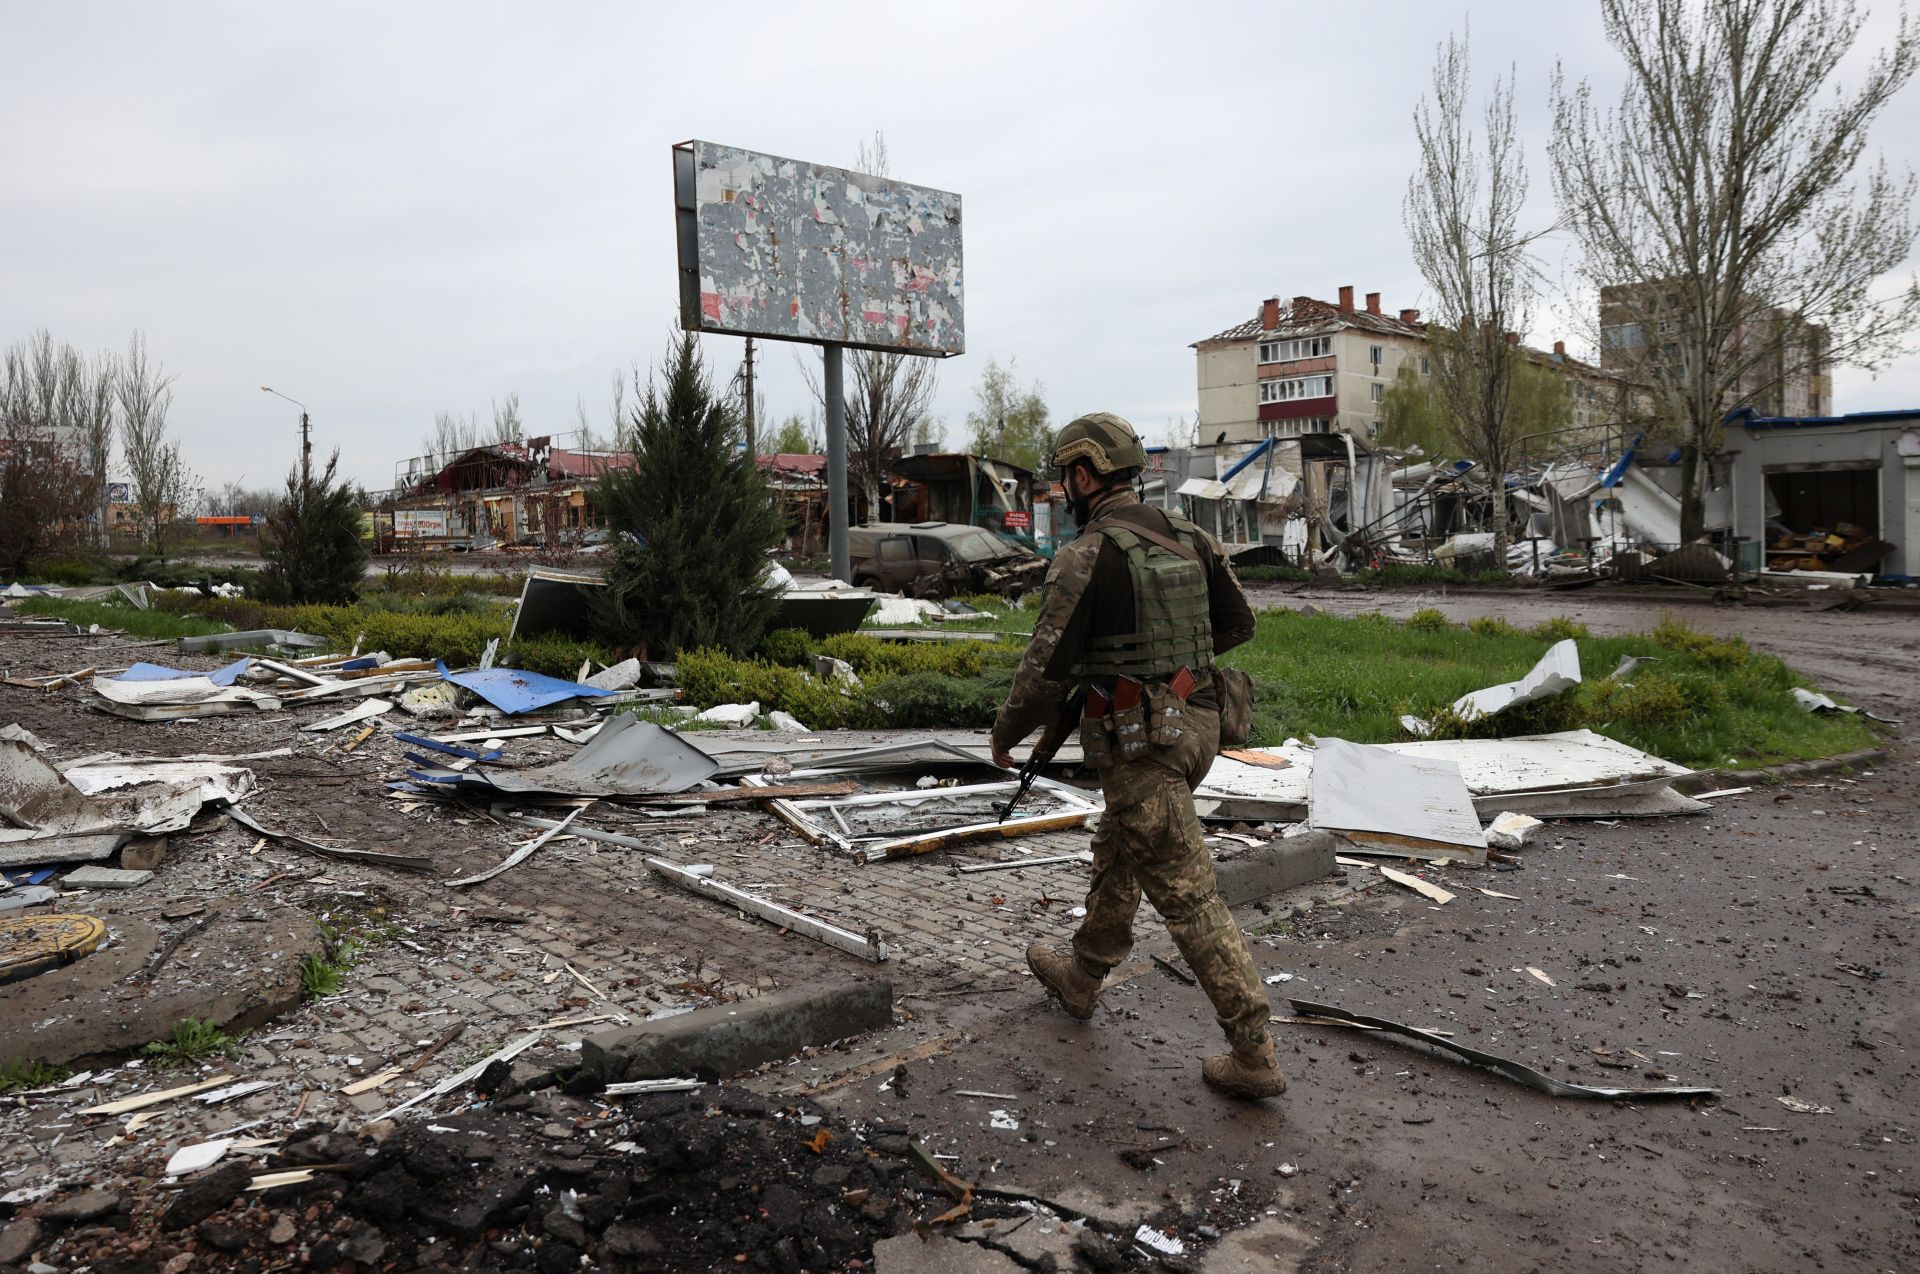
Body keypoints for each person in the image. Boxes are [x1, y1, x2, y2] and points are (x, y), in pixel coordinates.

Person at [990, 412, 1285, 1100]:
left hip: (1141, 744)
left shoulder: (1086, 555)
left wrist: (1007, 734)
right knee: (1123, 843)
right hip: (1201, 723)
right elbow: (1238, 624)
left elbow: (1041, 673)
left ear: (1085, 475)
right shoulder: (1191, 536)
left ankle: (1253, 1050)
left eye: (1066, 476)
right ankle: (1083, 974)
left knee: (1188, 896)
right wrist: (1172, 667)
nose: (1064, 490)